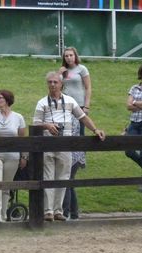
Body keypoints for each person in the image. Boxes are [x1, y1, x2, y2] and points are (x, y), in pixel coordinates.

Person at [33, 71, 105, 222]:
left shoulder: (70, 101)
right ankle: (48, 211)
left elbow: (83, 117)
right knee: (48, 178)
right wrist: (47, 125)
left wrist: (95, 129)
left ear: (61, 84)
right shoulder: (42, 102)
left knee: (63, 178)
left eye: (55, 82)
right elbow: (35, 123)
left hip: (65, 144)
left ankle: (58, 210)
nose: (52, 85)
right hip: (47, 145)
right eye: (50, 82)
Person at [0, 90, 26, 223]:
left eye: (0, 98)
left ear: (7, 100)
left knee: (6, 186)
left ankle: (3, 214)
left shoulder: (18, 117)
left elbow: (22, 139)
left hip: (12, 156)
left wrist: (23, 156)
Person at [59, 47, 92, 135]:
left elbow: (88, 87)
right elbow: (57, 87)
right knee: (66, 130)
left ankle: (81, 149)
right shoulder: (63, 70)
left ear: (75, 56)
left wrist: (86, 106)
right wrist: (59, 74)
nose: (69, 58)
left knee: (80, 130)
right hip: (65, 105)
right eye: (66, 56)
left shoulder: (82, 69)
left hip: (79, 105)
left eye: (71, 55)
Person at [62, 116, 85, 220]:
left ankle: (65, 213)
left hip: (72, 154)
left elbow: (67, 135)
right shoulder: (71, 117)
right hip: (76, 154)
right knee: (70, 184)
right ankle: (74, 213)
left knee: (66, 183)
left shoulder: (69, 118)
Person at [124, 65, 142, 171]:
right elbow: (128, 106)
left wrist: (134, 102)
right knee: (128, 150)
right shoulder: (134, 88)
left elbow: (132, 104)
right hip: (134, 124)